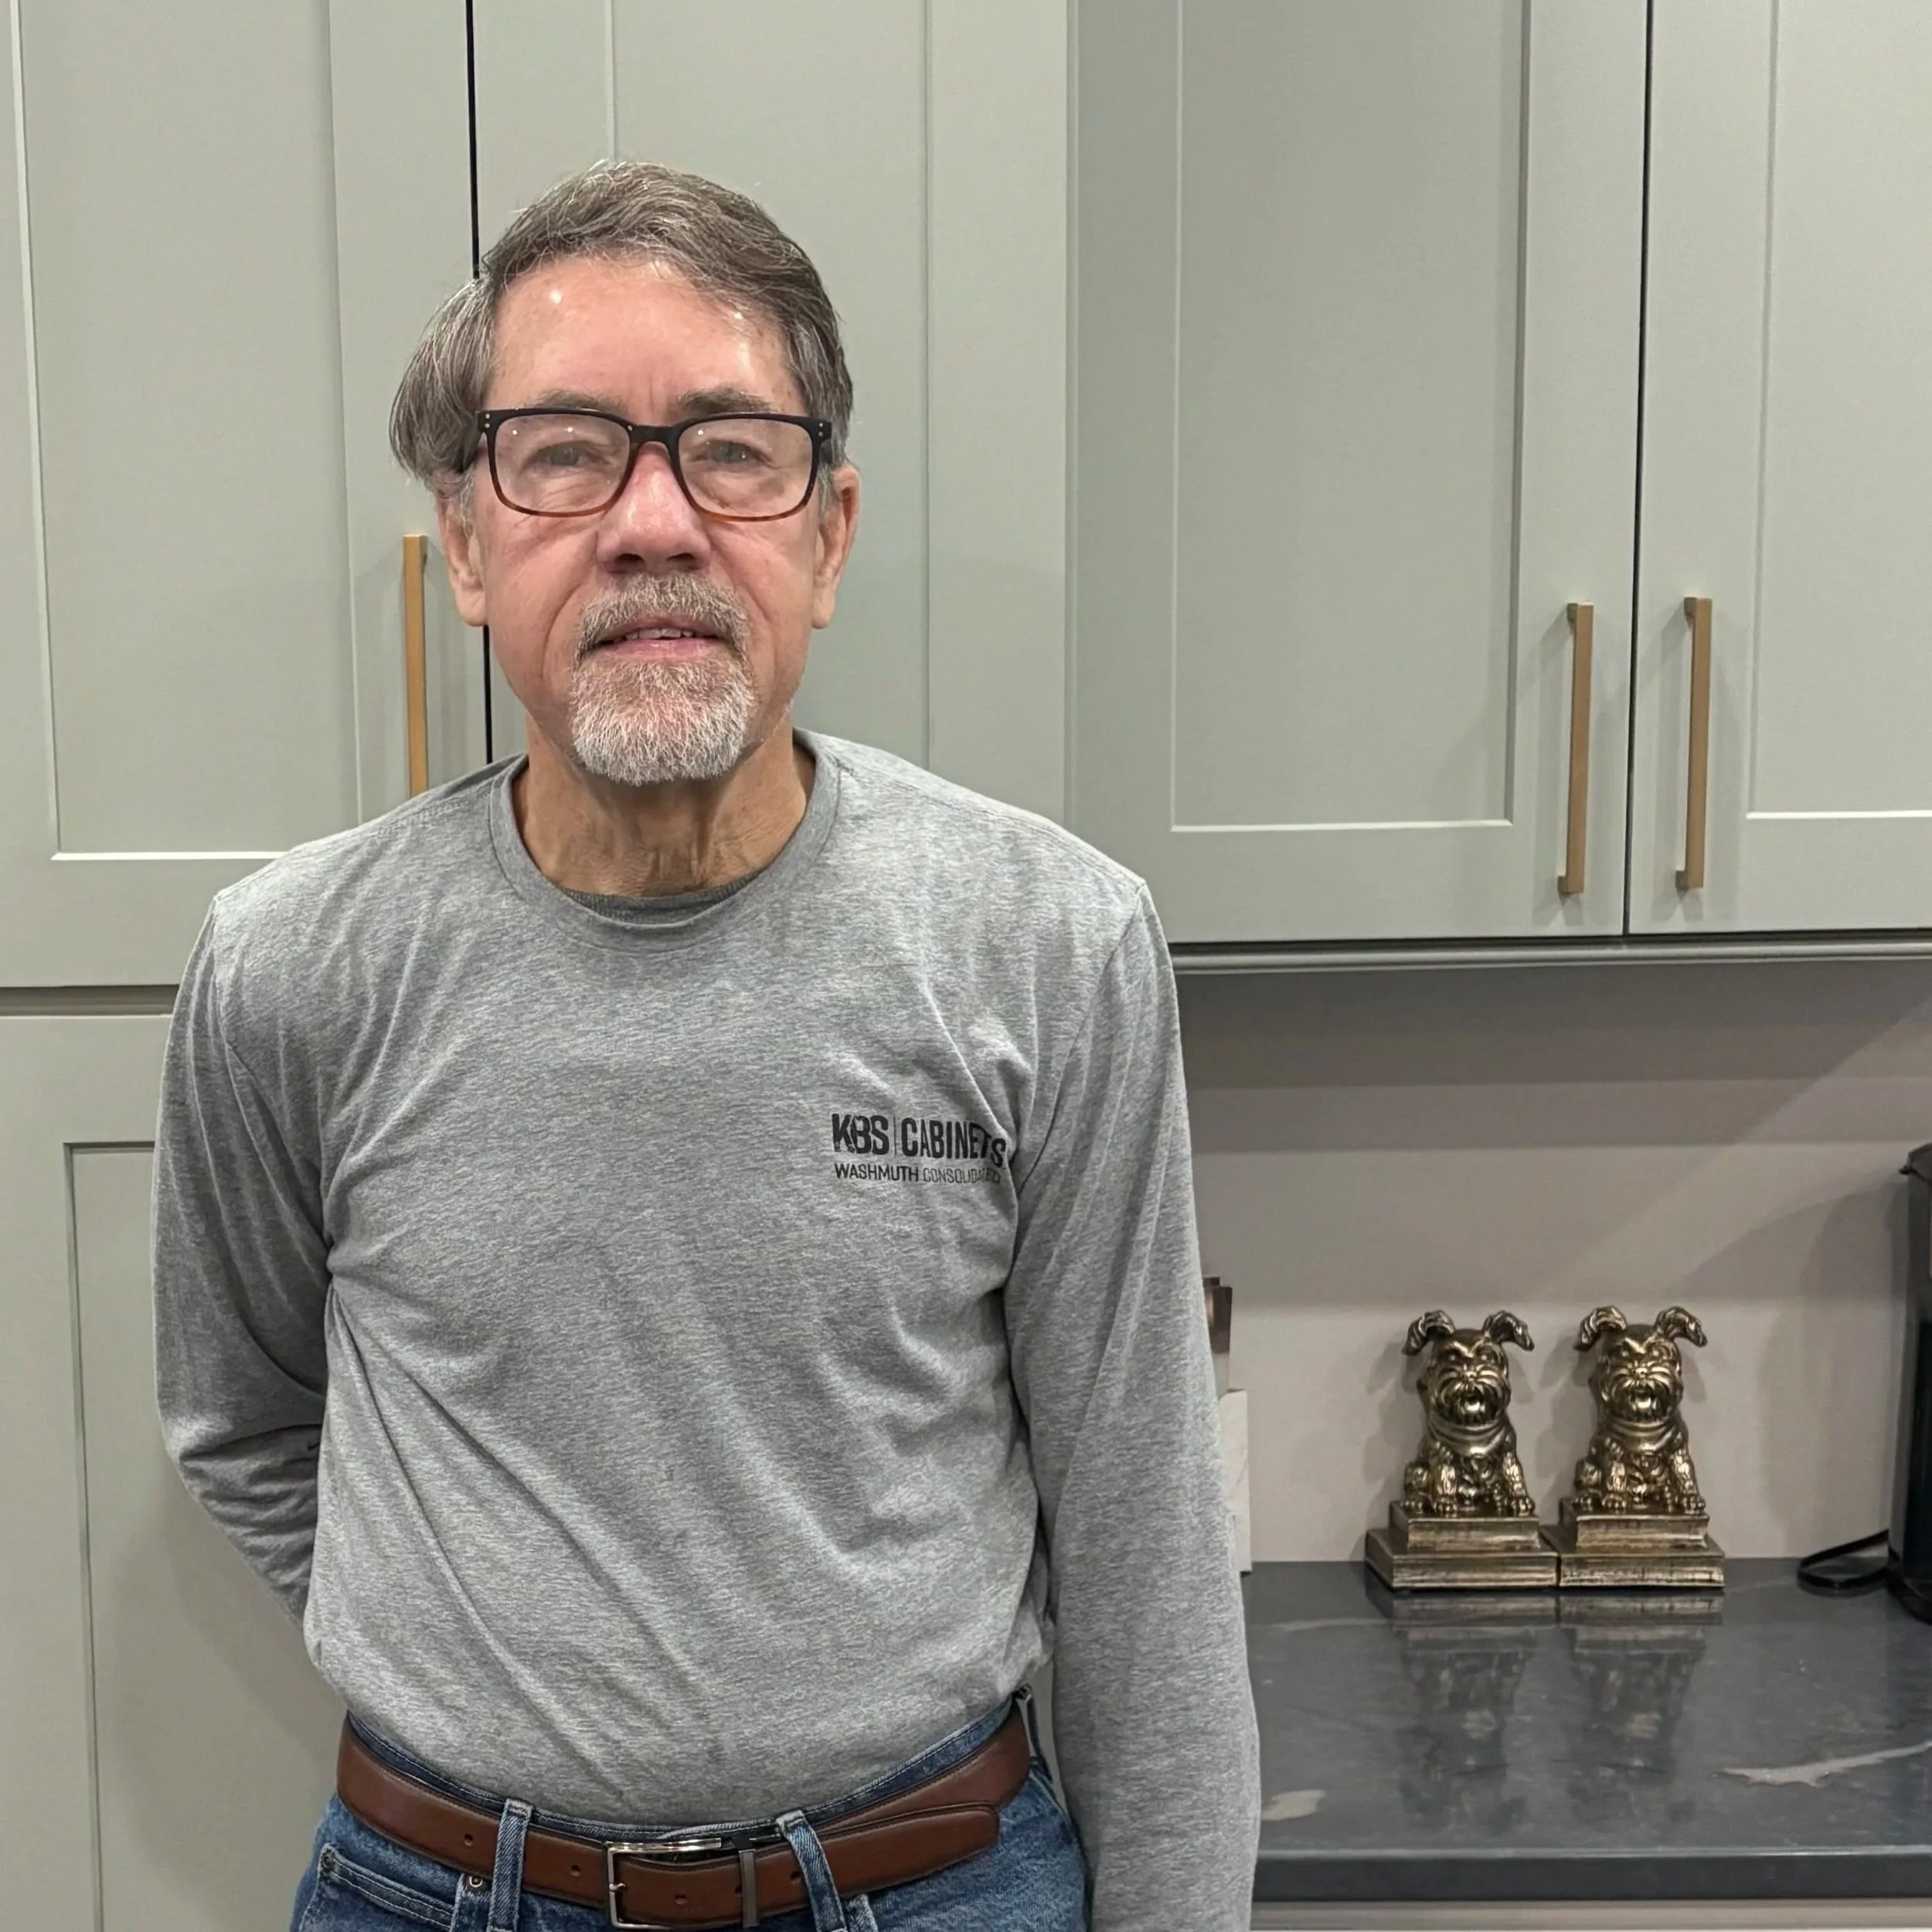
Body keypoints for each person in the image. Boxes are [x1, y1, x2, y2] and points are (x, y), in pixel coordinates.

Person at [152, 158, 1259, 1932]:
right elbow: (241, 1417)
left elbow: (1143, 1547)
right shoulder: (293, 967)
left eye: (732, 451)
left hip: (939, 1883)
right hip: (431, 1891)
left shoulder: (1050, 944)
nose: (652, 522)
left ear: (828, 534)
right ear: (466, 543)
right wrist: (464, 1649)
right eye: (563, 452)